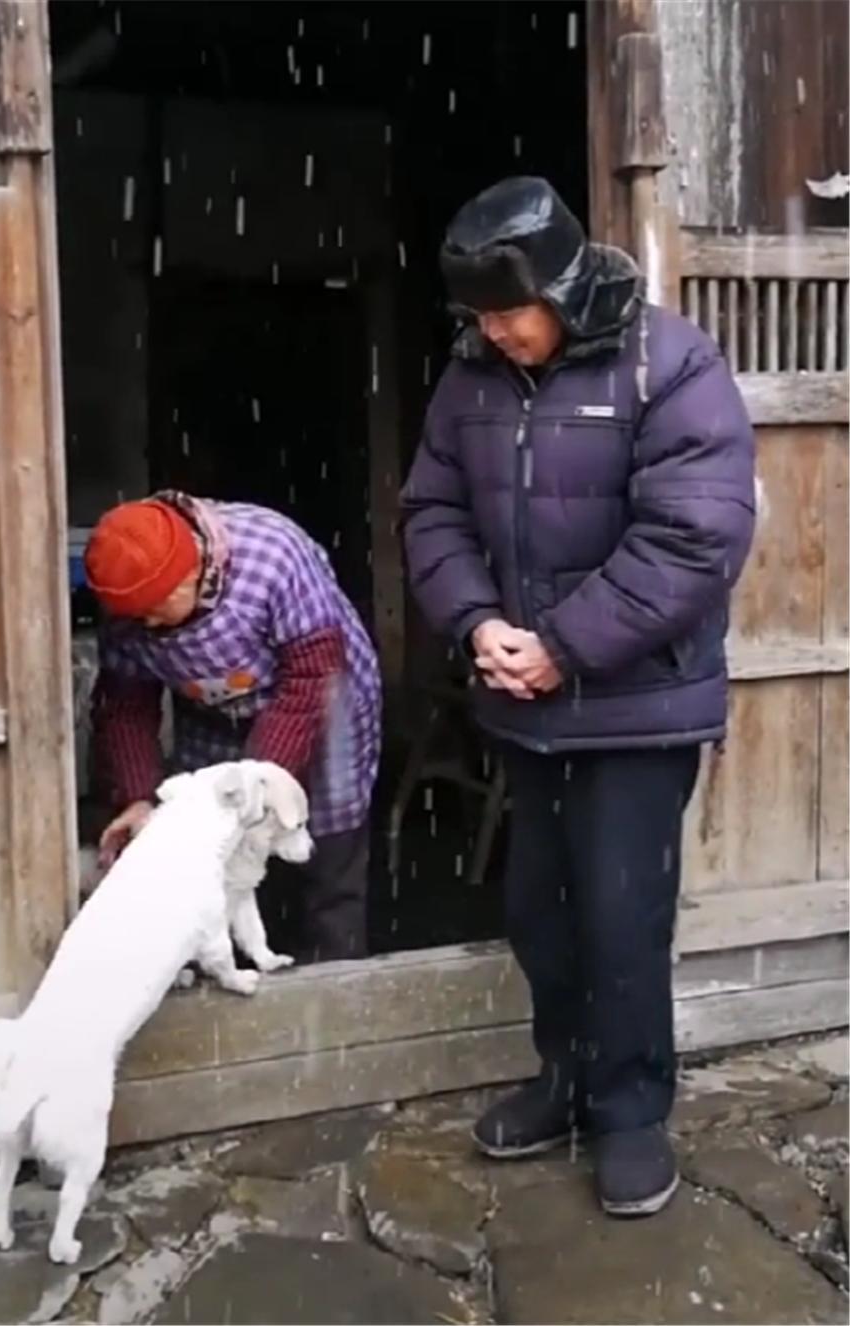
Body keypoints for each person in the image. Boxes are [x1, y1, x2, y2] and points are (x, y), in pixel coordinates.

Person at [401, 177, 755, 1216]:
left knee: (621, 914)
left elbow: (694, 537)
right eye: (479, 316)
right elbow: (431, 510)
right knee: (538, 912)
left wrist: (563, 645)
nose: (494, 332)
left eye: (508, 312)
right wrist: (476, 625)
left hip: (640, 706)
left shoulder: (667, 362)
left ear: (559, 286)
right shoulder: (470, 377)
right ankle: (562, 1081)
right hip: (525, 702)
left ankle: (631, 1111)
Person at [85, 490, 381, 964]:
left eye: (158, 607)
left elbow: (311, 677)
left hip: (326, 696)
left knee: (323, 846)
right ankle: (241, 968)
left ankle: (335, 976)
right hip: (213, 710)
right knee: (213, 843)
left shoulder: (273, 556)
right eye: (136, 617)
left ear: (192, 571)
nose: (149, 623)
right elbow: (125, 706)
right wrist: (138, 796)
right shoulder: (130, 610)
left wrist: (260, 782)